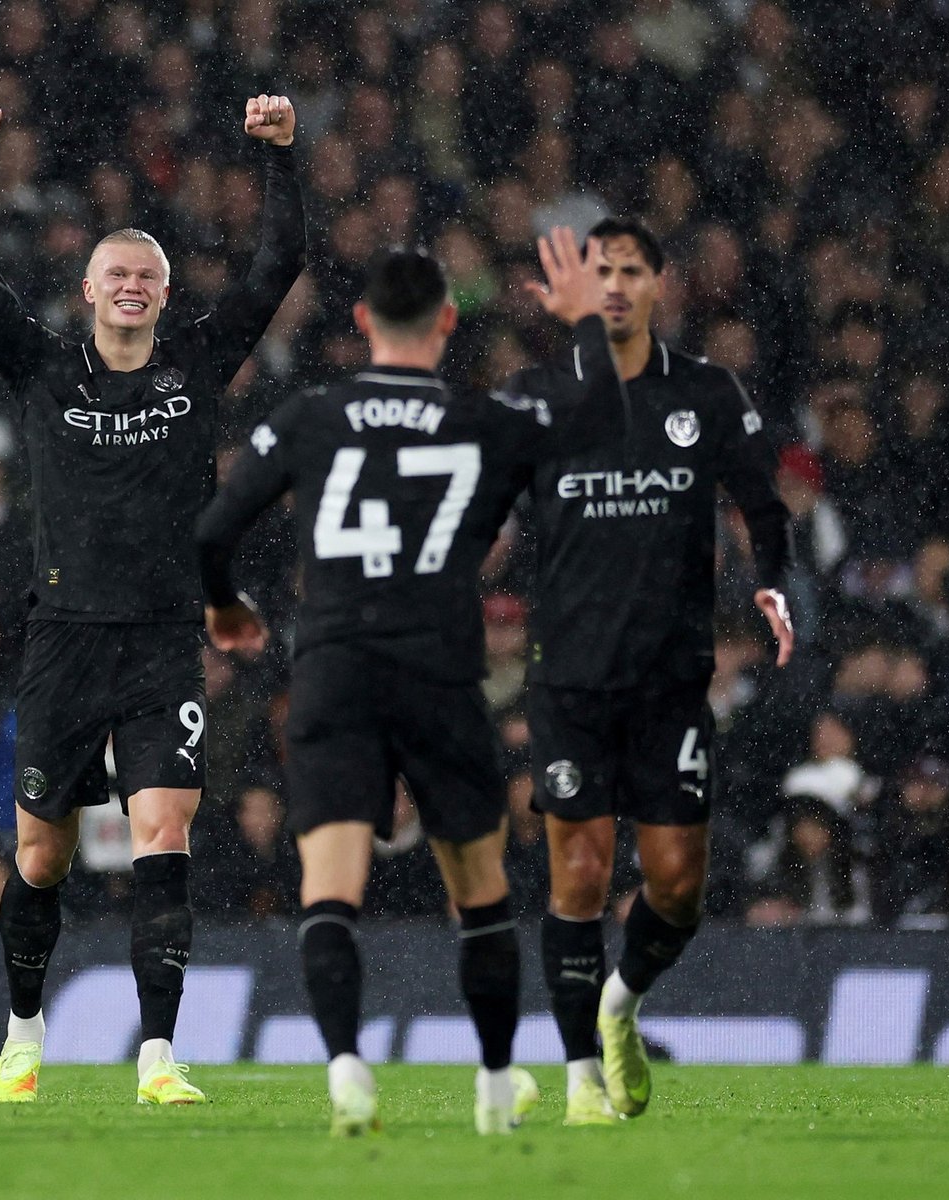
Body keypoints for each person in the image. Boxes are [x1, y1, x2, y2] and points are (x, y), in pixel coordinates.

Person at [195, 231, 624, 1136]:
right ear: (448, 322)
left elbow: (212, 531)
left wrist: (226, 607)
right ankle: (496, 1082)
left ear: (362, 320)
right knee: (479, 889)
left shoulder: (311, 413)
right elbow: (596, 418)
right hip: (438, 671)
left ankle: (346, 1067)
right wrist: (585, 323)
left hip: (334, 668)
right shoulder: (484, 418)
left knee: (329, 887)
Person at [0, 93, 305, 1105]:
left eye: (147, 275)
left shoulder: (197, 363)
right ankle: (23, 1035)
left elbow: (277, 267)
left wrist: (281, 156)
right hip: (62, 640)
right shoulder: (42, 368)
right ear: (89, 291)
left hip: (159, 644)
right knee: (40, 855)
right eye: (117, 274)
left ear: (166, 292)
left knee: (163, 836)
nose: (133, 286)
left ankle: (157, 1055)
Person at [507, 217, 794, 1124]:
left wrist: (772, 582)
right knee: (580, 875)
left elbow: (763, 503)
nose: (617, 285)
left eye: (632, 271)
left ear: (661, 285)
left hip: (670, 681)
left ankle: (621, 1001)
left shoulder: (704, 391)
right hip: (569, 682)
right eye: (602, 271)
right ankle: (581, 1079)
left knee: (675, 884)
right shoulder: (541, 395)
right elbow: (481, 508)